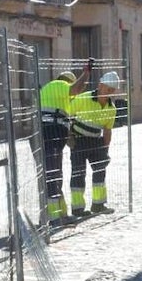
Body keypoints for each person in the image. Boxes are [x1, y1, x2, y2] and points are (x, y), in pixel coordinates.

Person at [38, 64, 90, 227]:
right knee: (53, 174)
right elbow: (76, 89)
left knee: (50, 173)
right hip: (51, 132)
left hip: (43, 133)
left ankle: (57, 214)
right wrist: (86, 73)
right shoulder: (61, 85)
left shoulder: (48, 90)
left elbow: (61, 115)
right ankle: (53, 218)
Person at [67, 71, 121, 217]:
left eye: (111, 90)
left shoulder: (111, 108)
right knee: (78, 173)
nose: (108, 92)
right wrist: (69, 135)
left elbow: (107, 131)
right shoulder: (83, 98)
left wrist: (105, 150)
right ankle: (77, 209)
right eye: (107, 89)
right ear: (100, 85)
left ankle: (98, 205)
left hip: (96, 142)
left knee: (100, 171)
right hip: (78, 140)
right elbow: (67, 114)